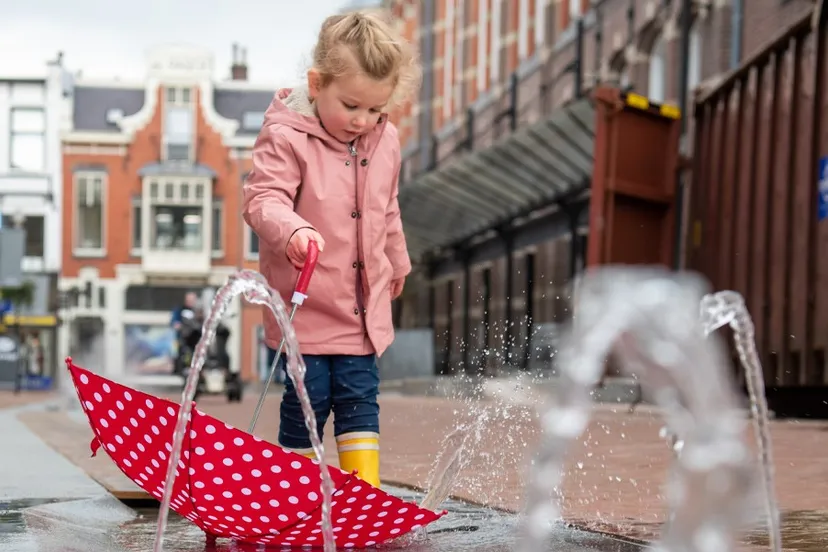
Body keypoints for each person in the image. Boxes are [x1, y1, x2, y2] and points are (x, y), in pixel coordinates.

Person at [243, 9, 420, 488]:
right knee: (308, 397)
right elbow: (263, 198)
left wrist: (397, 262)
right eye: (352, 105)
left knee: (361, 398)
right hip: (308, 304)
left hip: (361, 308)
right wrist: (293, 229)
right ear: (316, 83)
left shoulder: (385, 140)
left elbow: (388, 209)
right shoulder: (287, 136)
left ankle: (363, 494)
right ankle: (293, 490)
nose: (363, 121)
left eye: (375, 110)